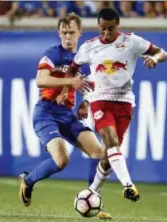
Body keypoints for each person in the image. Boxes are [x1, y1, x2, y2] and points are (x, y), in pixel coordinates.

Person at [59, 8, 167, 203]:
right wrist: (66, 91)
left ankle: (93, 190)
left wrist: (153, 58)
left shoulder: (131, 41)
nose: (106, 34)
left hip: (125, 102)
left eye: (110, 29)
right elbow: (72, 71)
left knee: (110, 155)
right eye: (102, 29)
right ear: (98, 26)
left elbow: (162, 53)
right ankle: (128, 185)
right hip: (100, 100)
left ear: (118, 25)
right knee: (110, 141)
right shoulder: (89, 46)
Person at [18, 12, 112, 219]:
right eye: (64, 33)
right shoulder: (53, 54)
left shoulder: (85, 61)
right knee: (61, 160)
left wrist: (85, 104)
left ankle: (94, 198)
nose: (67, 37)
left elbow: (90, 88)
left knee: (100, 154)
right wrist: (69, 82)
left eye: (71, 32)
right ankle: (28, 180)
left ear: (80, 32)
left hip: (67, 114)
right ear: (59, 34)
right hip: (45, 113)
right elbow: (41, 80)